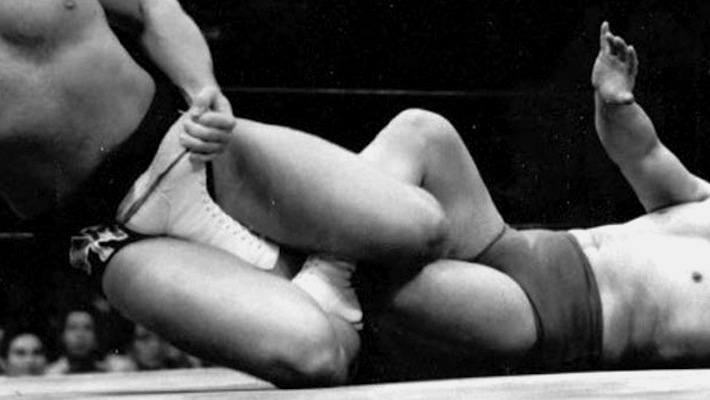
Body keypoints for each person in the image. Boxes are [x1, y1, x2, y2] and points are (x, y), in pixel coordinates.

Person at [0, 0, 467, 388]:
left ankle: (328, 271)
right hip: (106, 232)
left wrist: (202, 89)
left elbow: (154, 8)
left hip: (188, 141)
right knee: (316, 355)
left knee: (422, 226)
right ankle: (331, 266)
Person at [354, 22, 710, 380]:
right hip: (517, 245)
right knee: (422, 130)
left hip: (549, 317)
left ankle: (333, 277)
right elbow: (644, 155)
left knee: (381, 276)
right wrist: (614, 101)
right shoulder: (703, 199)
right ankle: (332, 266)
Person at [46, 306, 107, 375]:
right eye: (73, 327)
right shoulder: (51, 374)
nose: (80, 334)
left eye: (87, 328)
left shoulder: (110, 371)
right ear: (62, 336)